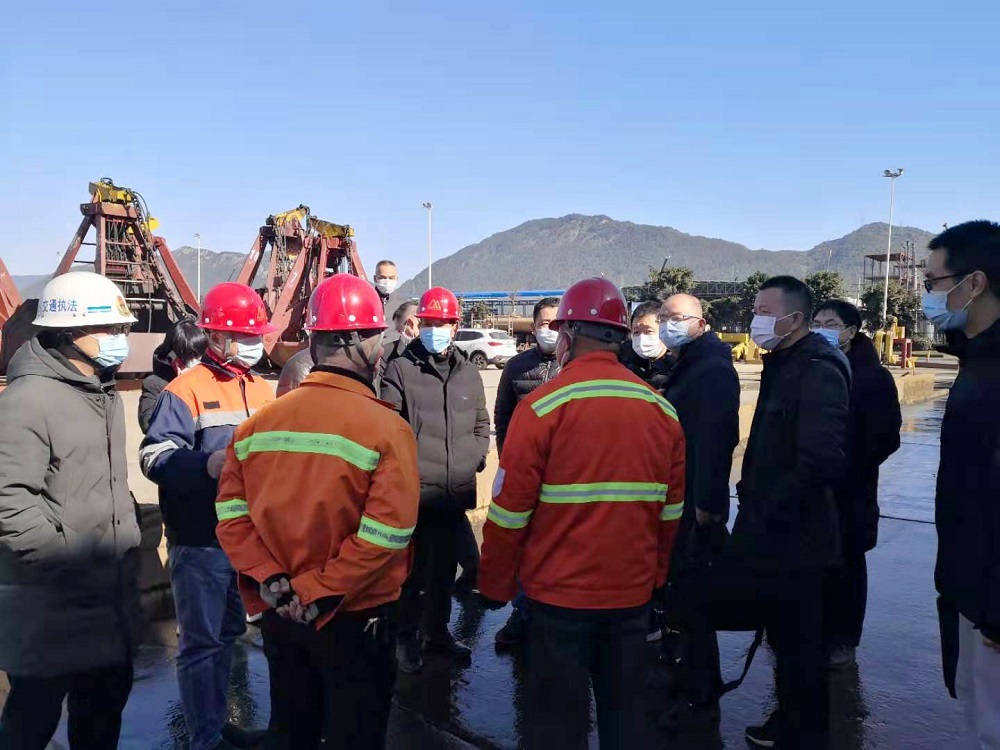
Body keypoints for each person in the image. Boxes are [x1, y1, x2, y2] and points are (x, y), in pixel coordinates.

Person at [478, 277, 686, 750]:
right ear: (621, 338)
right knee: (626, 718)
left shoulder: (542, 408)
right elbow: (670, 514)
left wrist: (495, 585)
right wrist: (655, 579)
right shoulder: (661, 411)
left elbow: (509, 514)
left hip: (558, 601)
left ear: (567, 338)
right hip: (631, 599)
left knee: (557, 723)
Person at [216, 274, 420, 749]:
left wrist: (271, 579)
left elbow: (231, 515)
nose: (382, 347)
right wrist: (316, 592)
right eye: (376, 336)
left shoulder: (255, 427)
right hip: (353, 615)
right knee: (356, 734)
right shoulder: (387, 429)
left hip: (281, 611)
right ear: (358, 342)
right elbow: (387, 535)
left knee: (293, 728)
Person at [0, 272, 142, 749]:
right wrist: (68, 564)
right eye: (110, 329)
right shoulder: (28, 401)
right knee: (32, 719)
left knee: (101, 711)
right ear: (68, 332)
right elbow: (9, 504)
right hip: (51, 601)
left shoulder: (101, 393)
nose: (120, 339)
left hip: (105, 596)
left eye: (122, 329)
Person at [140, 283, 275, 750]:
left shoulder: (261, 388)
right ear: (216, 337)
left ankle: (218, 721)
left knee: (231, 631)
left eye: (257, 335)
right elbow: (153, 457)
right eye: (245, 336)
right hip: (200, 540)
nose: (254, 345)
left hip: (246, 541)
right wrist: (204, 465)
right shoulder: (184, 390)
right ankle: (205, 738)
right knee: (201, 644)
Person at [734, 276, 850, 748]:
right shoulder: (784, 363)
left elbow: (819, 460)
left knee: (801, 645)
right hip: (777, 531)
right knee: (785, 641)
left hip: (797, 537)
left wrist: (768, 511)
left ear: (795, 318)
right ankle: (790, 723)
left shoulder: (817, 369)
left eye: (764, 311)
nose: (755, 320)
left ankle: (804, 735)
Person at [380, 286, 490, 674]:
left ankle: (437, 633)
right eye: (428, 323)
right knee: (410, 574)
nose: (434, 330)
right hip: (413, 496)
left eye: (441, 323)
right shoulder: (400, 369)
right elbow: (388, 428)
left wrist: (475, 458)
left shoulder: (469, 372)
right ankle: (405, 638)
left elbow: (481, 423)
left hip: (452, 494)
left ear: (455, 327)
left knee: (444, 571)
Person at [923, 221, 1000, 748]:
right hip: (971, 588)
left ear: (974, 283)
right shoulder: (976, 361)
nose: (926, 294)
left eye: (933, 282)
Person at [656, 293, 740, 730]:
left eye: (675, 317)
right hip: (681, 496)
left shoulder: (711, 369)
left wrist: (709, 504)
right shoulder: (689, 363)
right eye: (663, 316)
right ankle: (687, 678)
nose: (666, 324)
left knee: (694, 600)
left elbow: (716, 440)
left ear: (700, 322)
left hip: (694, 502)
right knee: (681, 596)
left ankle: (700, 691)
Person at [811, 300, 901, 669]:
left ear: (851, 330)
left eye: (831, 323)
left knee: (846, 565)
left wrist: (847, 466)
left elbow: (887, 438)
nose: (822, 329)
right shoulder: (812, 366)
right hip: (811, 489)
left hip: (850, 490)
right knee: (812, 563)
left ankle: (844, 640)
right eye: (817, 322)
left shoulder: (873, 377)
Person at [491, 296, 561, 646]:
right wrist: (509, 458)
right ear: (533, 327)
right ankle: (521, 613)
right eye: (545, 324)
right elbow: (502, 416)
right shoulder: (516, 367)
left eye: (556, 324)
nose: (550, 330)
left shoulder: (573, 367)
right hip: (525, 476)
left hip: (563, 479)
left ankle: (554, 616)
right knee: (522, 546)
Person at [139, 317, 209, 433]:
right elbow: (148, 424)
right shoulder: (154, 384)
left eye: (199, 356)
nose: (195, 361)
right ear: (172, 356)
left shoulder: (212, 377)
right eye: (190, 356)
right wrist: (180, 387)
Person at [620, 299, 673, 388]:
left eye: (648, 331)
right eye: (636, 332)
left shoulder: (679, 365)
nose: (641, 337)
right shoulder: (624, 360)